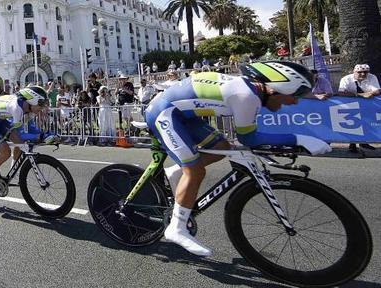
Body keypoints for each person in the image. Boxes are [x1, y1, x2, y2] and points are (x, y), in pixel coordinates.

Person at [145, 61, 330, 256]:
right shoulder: (247, 96)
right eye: (295, 96)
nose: (295, 102)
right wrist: (299, 139)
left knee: (222, 146)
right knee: (196, 170)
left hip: (184, 116)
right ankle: (176, 228)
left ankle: (175, 172)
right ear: (279, 88)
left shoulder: (251, 91)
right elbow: (249, 138)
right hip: (164, 114)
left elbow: (249, 137)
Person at [0, 86, 56, 195]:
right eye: (41, 104)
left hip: (1, 121)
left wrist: (44, 134)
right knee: (6, 152)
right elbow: (21, 134)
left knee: (19, 144)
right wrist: (41, 136)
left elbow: (31, 128)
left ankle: (14, 173)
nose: (42, 108)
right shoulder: (17, 108)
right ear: (32, 100)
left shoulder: (28, 107)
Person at [338, 64, 380, 152]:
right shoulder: (346, 79)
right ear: (354, 72)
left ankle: (363, 143)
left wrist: (371, 94)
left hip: (366, 104)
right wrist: (360, 95)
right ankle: (352, 144)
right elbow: (341, 92)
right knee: (352, 124)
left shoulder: (372, 77)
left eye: (365, 72)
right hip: (350, 104)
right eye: (359, 72)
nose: (363, 74)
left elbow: (377, 90)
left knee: (366, 122)